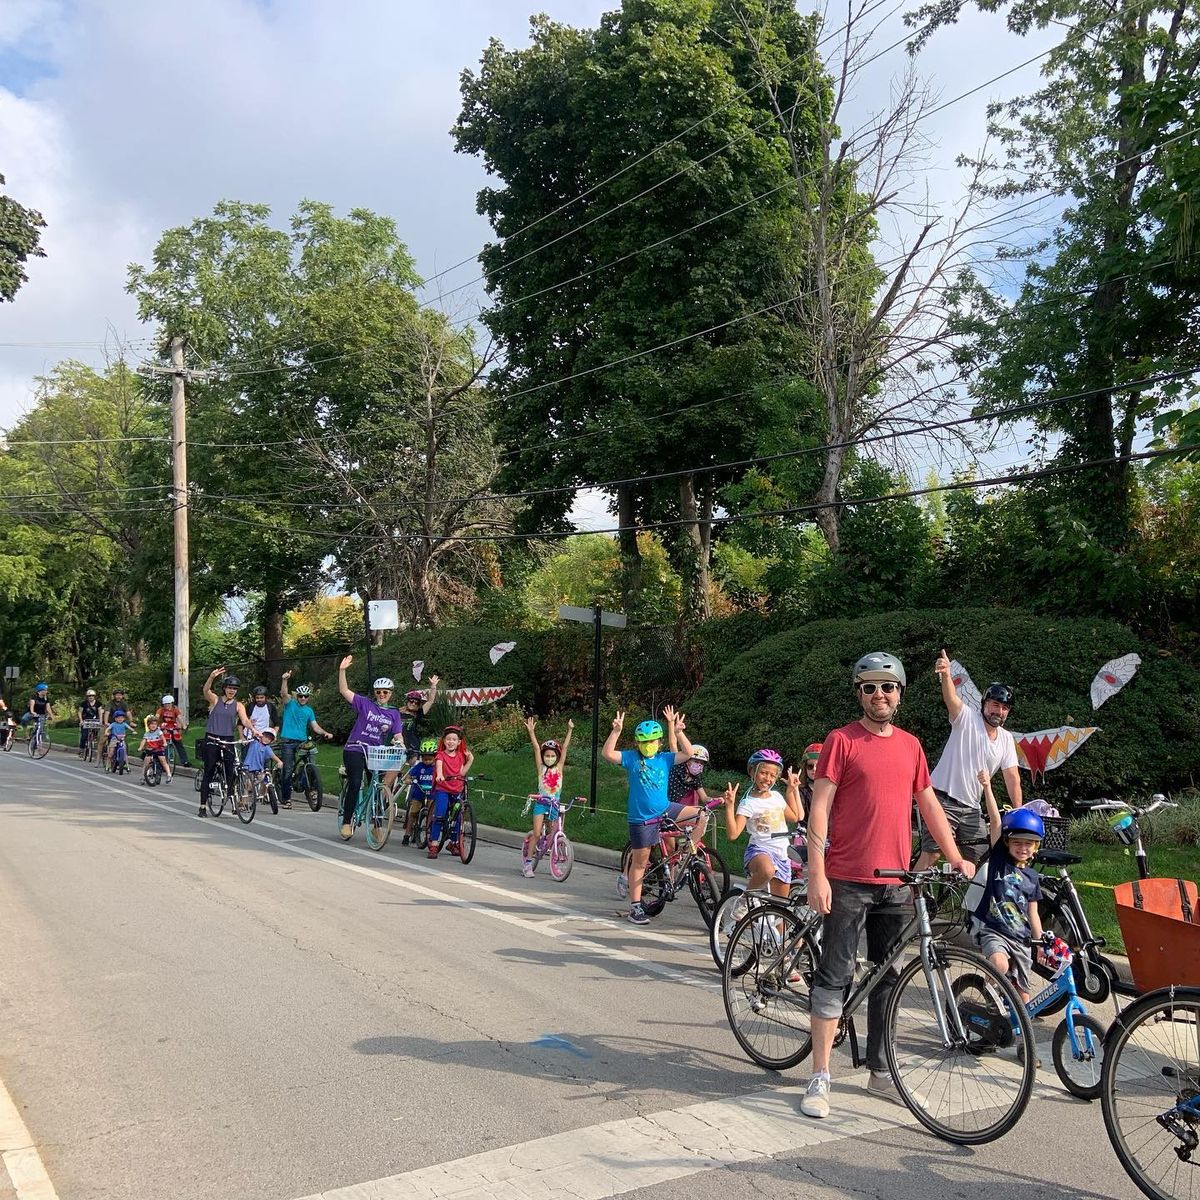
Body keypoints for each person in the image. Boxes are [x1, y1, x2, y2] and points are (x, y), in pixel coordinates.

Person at [801, 651, 975, 1120]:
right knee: (835, 974)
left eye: (889, 687)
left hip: (896, 882)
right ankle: (820, 1074)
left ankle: (881, 1071)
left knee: (888, 977)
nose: (881, 695)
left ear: (900, 693)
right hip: (847, 878)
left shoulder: (911, 746)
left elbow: (929, 807)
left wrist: (956, 856)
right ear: (859, 692)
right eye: (871, 687)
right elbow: (819, 809)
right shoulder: (842, 742)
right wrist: (816, 871)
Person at [915, 650, 1022, 871]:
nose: (999, 711)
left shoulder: (1006, 739)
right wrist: (945, 675)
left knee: (984, 861)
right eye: (995, 705)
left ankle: (972, 906)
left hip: (972, 807)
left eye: (1004, 708)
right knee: (933, 853)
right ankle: (904, 900)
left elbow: (1012, 778)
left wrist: (1019, 811)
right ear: (984, 704)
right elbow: (951, 699)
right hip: (942, 799)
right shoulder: (966, 719)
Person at [601, 705, 701, 925]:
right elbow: (607, 754)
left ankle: (686, 851)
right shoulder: (631, 758)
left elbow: (688, 753)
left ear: (659, 742)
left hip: (665, 809)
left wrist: (679, 732)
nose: (648, 745)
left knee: (701, 815)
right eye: (644, 742)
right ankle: (636, 907)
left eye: (652, 741)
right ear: (638, 743)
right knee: (640, 863)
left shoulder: (664, 758)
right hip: (641, 819)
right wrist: (616, 731)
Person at [968, 769, 1044, 1004]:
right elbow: (995, 824)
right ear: (1008, 843)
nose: (1022, 847)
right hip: (993, 931)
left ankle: (1021, 1038)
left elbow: (1033, 914)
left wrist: (1039, 942)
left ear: (1035, 847)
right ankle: (991, 1002)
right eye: (1017, 842)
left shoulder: (1032, 878)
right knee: (999, 965)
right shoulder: (999, 863)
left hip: (1021, 939)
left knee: (1023, 999)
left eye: (1028, 844)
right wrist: (988, 788)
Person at [336, 656, 404, 842]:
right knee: (356, 782)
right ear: (375, 692)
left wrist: (401, 745)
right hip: (355, 749)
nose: (382, 694)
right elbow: (344, 690)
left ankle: (376, 826)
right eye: (379, 691)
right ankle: (347, 822)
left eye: (385, 692)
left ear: (390, 693)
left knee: (378, 787)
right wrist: (342, 670)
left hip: (376, 753)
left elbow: (398, 734)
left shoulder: (394, 713)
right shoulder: (366, 704)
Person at [724, 750, 805, 902]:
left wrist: (791, 791)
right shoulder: (748, 803)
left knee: (781, 910)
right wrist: (729, 806)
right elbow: (733, 834)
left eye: (772, 775)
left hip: (782, 854)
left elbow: (794, 816)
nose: (768, 778)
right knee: (767, 870)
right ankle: (744, 900)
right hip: (759, 850)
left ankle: (752, 923)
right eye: (763, 773)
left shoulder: (777, 797)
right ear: (752, 771)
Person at [521, 716, 575, 877]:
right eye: (547, 756)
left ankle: (554, 863)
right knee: (537, 833)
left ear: (557, 757)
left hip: (554, 804)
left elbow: (564, 748)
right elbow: (537, 748)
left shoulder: (559, 768)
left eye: (552, 756)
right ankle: (528, 863)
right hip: (541, 804)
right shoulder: (541, 768)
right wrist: (531, 732)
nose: (549, 758)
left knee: (553, 835)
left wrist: (570, 730)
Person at [198, 668, 254, 818]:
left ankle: (232, 797)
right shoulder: (215, 700)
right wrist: (211, 677)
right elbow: (206, 690)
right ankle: (203, 805)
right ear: (224, 688)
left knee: (232, 770)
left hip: (228, 738)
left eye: (234, 689)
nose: (232, 691)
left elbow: (245, 720)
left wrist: (254, 731)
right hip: (212, 738)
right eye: (229, 688)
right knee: (209, 770)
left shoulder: (238, 705)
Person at [277, 671, 334, 809]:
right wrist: (284, 680)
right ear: (297, 696)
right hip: (288, 740)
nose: (302, 698)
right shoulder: (290, 704)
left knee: (311, 761)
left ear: (308, 697)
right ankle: (286, 798)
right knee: (288, 768)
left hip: (302, 741)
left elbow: (315, 726)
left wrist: (325, 733)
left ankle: (311, 787)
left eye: (305, 696)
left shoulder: (309, 711)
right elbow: (284, 694)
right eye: (300, 696)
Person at [428, 725, 474, 858]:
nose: (451, 742)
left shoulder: (460, 756)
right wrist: (440, 775)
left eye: (454, 739)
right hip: (443, 788)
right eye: (448, 739)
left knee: (458, 817)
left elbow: (461, 773)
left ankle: (454, 843)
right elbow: (439, 765)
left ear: (458, 742)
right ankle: (434, 844)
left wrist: (470, 760)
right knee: (440, 816)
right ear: (444, 741)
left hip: (456, 789)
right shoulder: (440, 755)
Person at [402, 738, 439, 846]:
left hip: (431, 793)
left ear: (435, 757)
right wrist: (408, 780)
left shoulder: (437, 768)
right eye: (425, 759)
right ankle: (407, 834)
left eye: (430, 759)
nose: (427, 761)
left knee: (431, 813)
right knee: (413, 813)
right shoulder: (419, 767)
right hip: (418, 793)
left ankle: (429, 833)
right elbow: (409, 776)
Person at [400, 678, 440, 761]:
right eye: (411, 701)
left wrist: (433, 686)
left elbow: (430, 701)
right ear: (407, 701)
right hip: (397, 744)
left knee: (413, 768)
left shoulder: (418, 713)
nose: (413, 704)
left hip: (413, 745)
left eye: (416, 702)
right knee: (396, 769)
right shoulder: (397, 712)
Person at [155, 693, 191, 767]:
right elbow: (157, 717)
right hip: (164, 727)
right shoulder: (161, 710)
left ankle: (185, 761)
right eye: (165, 704)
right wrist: (155, 724)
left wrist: (183, 725)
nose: (167, 706)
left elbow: (179, 717)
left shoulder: (175, 710)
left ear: (172, 703)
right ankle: (163, 763)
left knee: (179, 743)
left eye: (168, 704)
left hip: (173, 727)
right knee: (164, 744)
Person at [100, 688, 134, 767]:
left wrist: (131, 721)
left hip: (121, 722)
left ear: (122, 696)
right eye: (117, 695)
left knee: (124, 742)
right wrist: (106, 722)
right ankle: (101, 758)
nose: (118, 696)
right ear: (114, 696)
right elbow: (107, 713)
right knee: (104, 739)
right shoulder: (110, 703)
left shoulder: (124, 704)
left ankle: (123, 758)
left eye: (120, 695)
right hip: (111, 722)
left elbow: (128, 713)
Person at [138, 716, 173, 783]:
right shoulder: (147, 734)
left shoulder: (158, 732)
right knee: (146, 762)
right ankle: (143, 776)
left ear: (157, 725)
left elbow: (162, 738)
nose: (153, 726)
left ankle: (169, 775)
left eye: (155, 724)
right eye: (151, 724)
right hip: (150, 749)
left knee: (163, 760)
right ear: (148, 725)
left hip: (158, 749)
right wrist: (140, 747)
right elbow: (143, 741)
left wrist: (165, 743)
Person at [78, 689, 102, 756]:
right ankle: (82, 749)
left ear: (94, 696)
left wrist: (100, 720)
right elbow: (80, 712)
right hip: (86, 720)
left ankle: (93, 740)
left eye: (92, 696)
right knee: (84, 735)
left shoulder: (98, 703)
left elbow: (100, 712)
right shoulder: (84, 703)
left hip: (95, 720)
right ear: (87, 697)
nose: (91, 697)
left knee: (96, 733)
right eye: (89, 696)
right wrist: (81, 720)